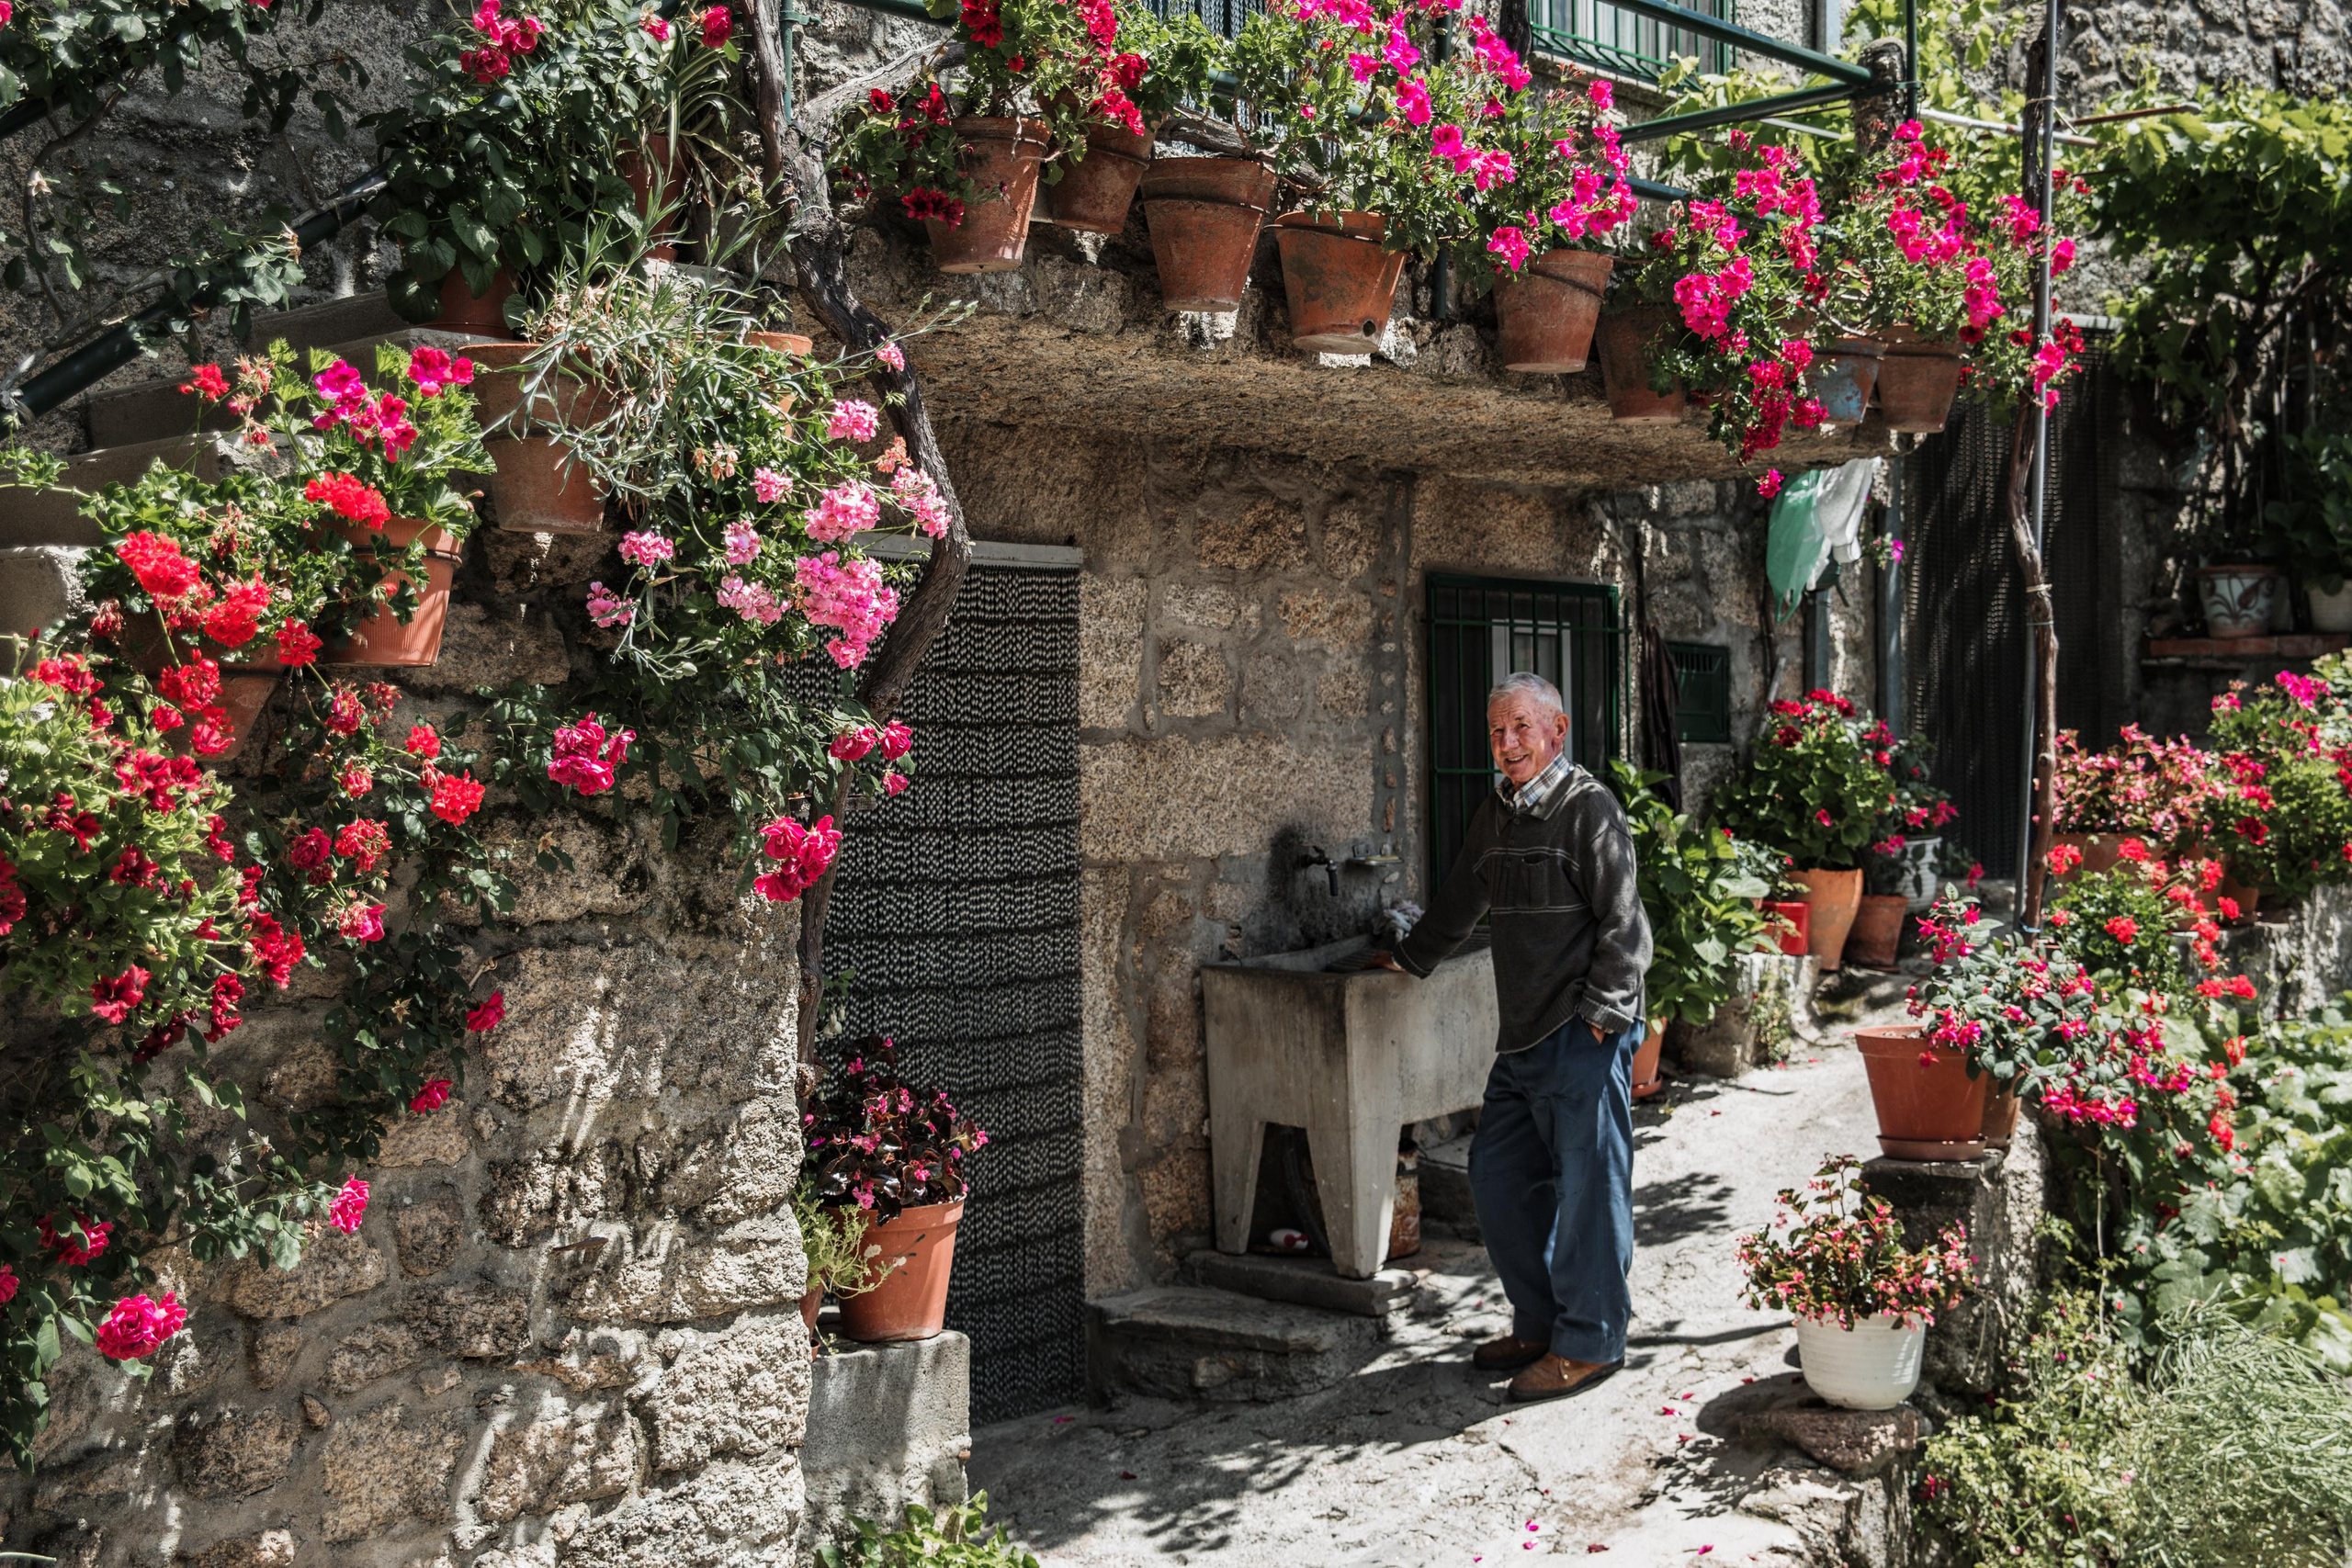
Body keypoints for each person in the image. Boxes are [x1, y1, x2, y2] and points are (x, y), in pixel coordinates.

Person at [1374, 671, 1652, 1402]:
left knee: (1590, 1191)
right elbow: (1461, 900)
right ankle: (1540, 1323)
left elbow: (1626, 926)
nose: (1507, 743)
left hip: (1583, 1030)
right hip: (1522, 1037)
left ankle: (1591, 1341)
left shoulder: (1589, 808)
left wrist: (1600, 1018)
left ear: (1557, 731)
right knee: (1498, 1180)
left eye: (1522, 728)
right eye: (1497, 731)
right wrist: (1406, 957)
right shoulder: (1498, 814)